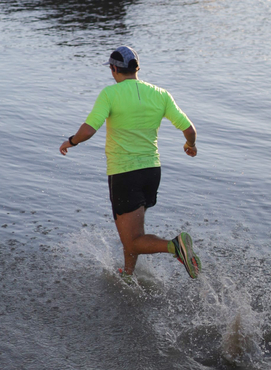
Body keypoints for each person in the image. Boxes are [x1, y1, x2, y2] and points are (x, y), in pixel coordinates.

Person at [59, 45, 201, 279]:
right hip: (152, 172)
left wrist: (71, 142)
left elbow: (88, 130)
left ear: (114, 69)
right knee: (134, 233)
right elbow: (189, 129)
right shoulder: (160, 94)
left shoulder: (110, 94)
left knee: (133, 241)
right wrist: (190, 146)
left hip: (124, 173)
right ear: (137, 68)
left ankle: (175, 246)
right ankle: (128, 273)